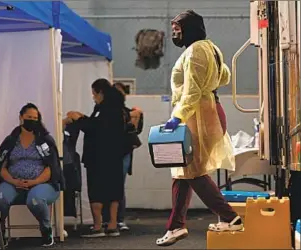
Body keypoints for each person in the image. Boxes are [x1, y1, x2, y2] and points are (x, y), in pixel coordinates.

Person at [156, 10, 242, 247]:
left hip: (198, 115)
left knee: (192, 171)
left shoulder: (195, 51)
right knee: (183, 171)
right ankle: (175, 226)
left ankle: (230, 217)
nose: (175, 33)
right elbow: (225, 76)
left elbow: (191, 91)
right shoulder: (211, 48)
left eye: (178, 29)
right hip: (209, 110)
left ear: (189, 28)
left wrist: (177, 116)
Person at [0, 103, 65, 247]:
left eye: (35, 118)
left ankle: (46, 230)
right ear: (21, 117)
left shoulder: (45, 141)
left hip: (42, 184)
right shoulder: (11, 141)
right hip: (14, 183)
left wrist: (34, 182)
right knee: (1, 198)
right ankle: (0, 233)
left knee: (36, 200)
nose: (32, 120)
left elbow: (51, 168)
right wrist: (14, 181)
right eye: (28, 117)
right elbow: (2, 168)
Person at [66, 78, 126, 238]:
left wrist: (79, 118)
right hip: (114, 155)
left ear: (100, 92)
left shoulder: (104, 109)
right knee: (114, 189)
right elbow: (97, 124)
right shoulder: (116, 108)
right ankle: (112, 224)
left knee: (97, 190)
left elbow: (95, 128)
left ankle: (98, 225)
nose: (93, 97)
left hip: (98, 157)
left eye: (94, 94)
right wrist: (84, 118)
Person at [102, 82, 144, 231]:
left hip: (122, 152)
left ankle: (117, 219)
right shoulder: (116, 112)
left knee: (117, 185)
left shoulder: (127, 112)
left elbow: (135, 131)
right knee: (112, 185)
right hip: (116, 152)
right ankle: (111, 219)